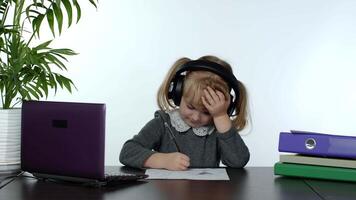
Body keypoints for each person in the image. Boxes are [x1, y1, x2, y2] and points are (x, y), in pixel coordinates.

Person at [119, 55, 250, 171]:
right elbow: (127, 152)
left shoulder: (217, 129)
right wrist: (162, 160)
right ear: (178, 94)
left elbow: (239, 161)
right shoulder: (163, 123)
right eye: (190, 107)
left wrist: (221, 117)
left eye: (206, 112)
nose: (196, 117)